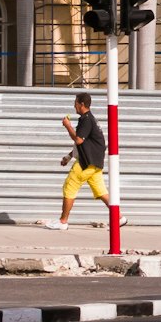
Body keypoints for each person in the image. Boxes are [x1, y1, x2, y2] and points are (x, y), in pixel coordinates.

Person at [55, 91, 112, 229]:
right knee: (101, 191)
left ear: (82, 104)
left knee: (70, 186)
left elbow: (79, 140)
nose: (74, 106)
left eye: (75, 103)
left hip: (87, 162)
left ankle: (63, 221)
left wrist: (67, 126)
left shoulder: (87, 119)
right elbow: (85, 143)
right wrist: (69, 156)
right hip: (95, 162)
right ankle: (119, 217)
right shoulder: (88, 119)